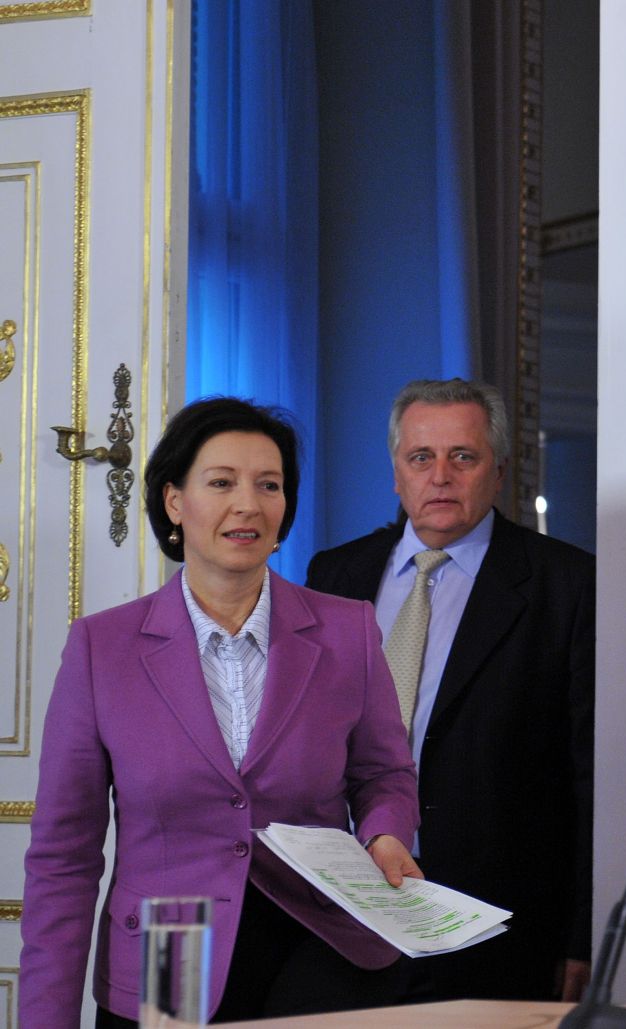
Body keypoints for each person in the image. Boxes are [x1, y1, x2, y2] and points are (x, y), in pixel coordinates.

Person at [21, 397, 421, 1026]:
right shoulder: (103, 648)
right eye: (221, 483)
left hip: (319, 942)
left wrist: (386, 830)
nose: (248, 505)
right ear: (175, 501)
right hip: (168, 943)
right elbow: (64, 856)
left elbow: (384, 775)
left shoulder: (347, 631)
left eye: (269, 484)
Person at [305, 378, 595, 1002]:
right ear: (396, 473)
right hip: (347, 907)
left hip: (497, 921)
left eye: (462, 457)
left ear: (498, 471)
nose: (440, 476)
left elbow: (587, 775)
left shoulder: (566, 584)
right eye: (421, 458)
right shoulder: (332, 574)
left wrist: (581, 935)